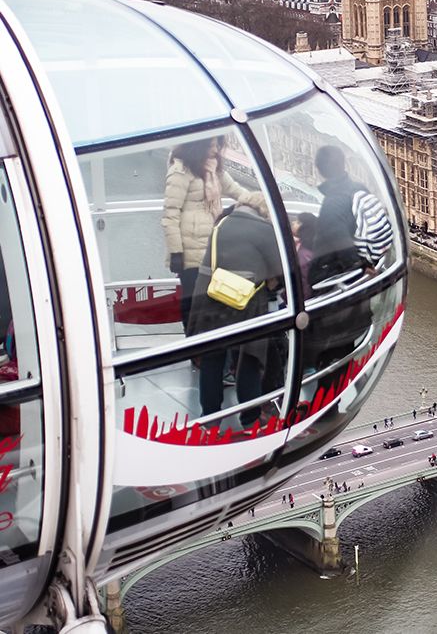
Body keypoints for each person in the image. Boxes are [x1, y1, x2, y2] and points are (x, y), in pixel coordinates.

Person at [188, 203, 284, 428]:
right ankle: (249, 417)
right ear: (263, 212)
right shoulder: (265, 230)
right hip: (246, 303)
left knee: (213, 359)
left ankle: (209, 418)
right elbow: (281, 269)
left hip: (213, 297)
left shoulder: (221, 224)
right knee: (249, 357)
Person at [163, 136, 267, 332]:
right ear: (198, 145)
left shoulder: (213, 169)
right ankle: (193, 342)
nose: (216, 149)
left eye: (218, 144)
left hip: (212, 244)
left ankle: (208, 341)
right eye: (211, 145)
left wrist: (263, 202)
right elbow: (170, 213)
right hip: (190, 247)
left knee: (210, 296)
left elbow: (236, 191)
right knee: (192, 298)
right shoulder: (181, 170)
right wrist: (176, 251)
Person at [303, 144, 393, 370]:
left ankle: (326, 397)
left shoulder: (333, 201)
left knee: (328, 352)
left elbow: (336, 238)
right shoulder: (359, 189)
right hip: (356, 288)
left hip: (337, 284)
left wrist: (359, 265)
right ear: (344, 163)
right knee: (345, 347)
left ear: (320, 170)